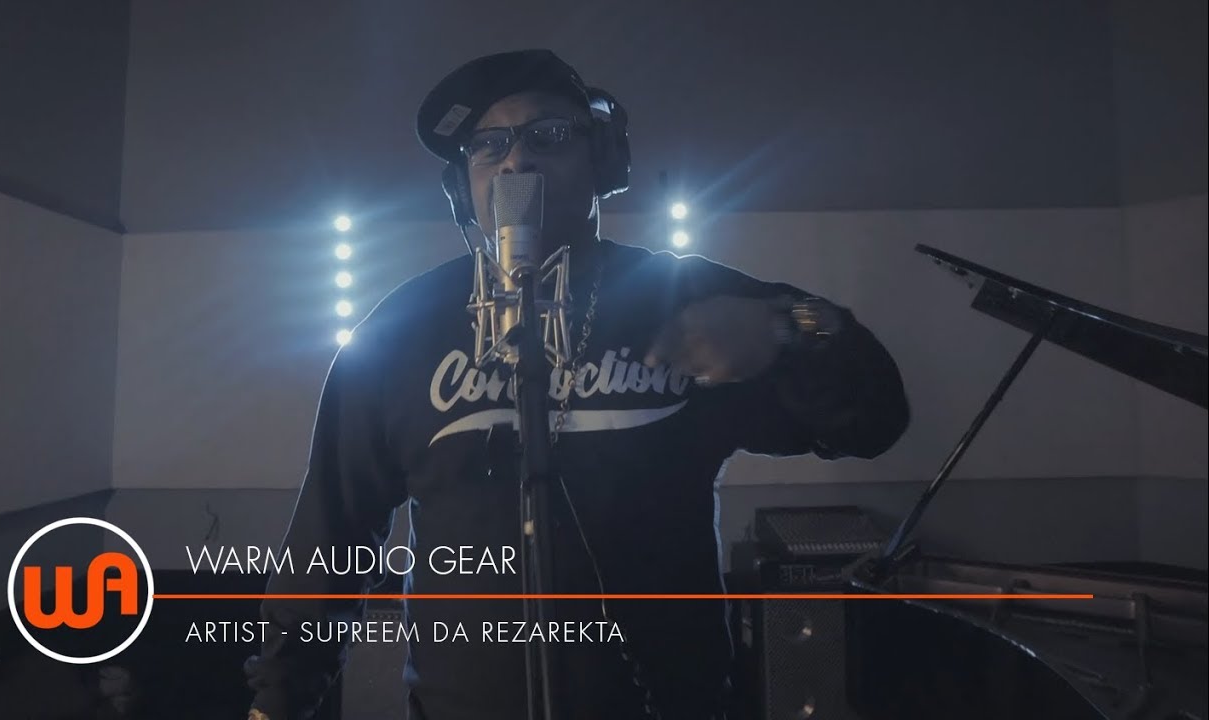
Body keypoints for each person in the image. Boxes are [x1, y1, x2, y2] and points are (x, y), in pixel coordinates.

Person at [244, 49, 909, 720]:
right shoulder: (399, 331)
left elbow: (874, 419)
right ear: (462, 187)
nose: (516, 161)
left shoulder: (686, 296)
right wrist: (277, 702)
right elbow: (329, 541)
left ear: (604, 161)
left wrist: (788, 326)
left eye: (549, 134)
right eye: (488, 146)